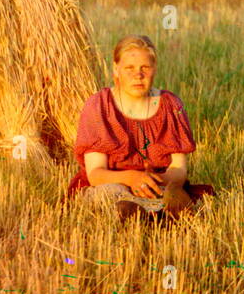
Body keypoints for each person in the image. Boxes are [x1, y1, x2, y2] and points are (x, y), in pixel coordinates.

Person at [68, 34, 213, 221]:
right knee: (112, 194)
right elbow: (96, 174)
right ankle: (143, 216)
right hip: (112, 183)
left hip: (157, 183)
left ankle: (161, 213)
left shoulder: (171, 105)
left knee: (171, 193)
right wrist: (132, 178)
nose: (138, 75)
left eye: (145, 67)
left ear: (155, 69)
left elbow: (179, 169)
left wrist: (151, 181)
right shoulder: (99, 105)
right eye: (129, 68)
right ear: (116, 69)